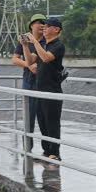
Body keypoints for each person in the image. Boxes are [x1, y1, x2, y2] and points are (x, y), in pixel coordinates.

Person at [28, 17, 66, 161]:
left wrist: (34, 41)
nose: (44, 28)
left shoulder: (58, 45)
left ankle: (55, 153)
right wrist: (25, 45)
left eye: (47, 26)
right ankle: (46, 152)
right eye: (43, 26)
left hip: (52, 90)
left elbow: (45, 58)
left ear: (56, 29)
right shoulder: (43, 44)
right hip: (40, 89)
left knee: (52, 123)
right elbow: (30, 60)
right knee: (42, 122)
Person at [10, 13, 45, 144]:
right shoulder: (25, 41)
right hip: (29, 82)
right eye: (38, 22)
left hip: (44, 82)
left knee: (44, 117)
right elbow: (14, 59)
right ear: (31, 26)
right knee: (28, 117)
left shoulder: (46, 41)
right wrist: (28, 65)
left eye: (44, 23)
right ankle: (27, 148)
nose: (42, 25)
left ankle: (47, 150)